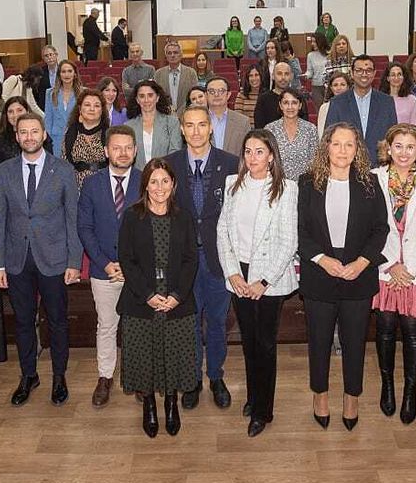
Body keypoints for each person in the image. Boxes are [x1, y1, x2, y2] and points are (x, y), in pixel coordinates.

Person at [298, 123, 389, 430]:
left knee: (354, 342)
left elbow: (380, 229)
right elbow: (300, 230)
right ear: (326, 146)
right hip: (319, 274)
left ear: (357, 149)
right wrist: (322, 260)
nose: (342, 150)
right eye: (336, 144)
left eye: (349, 144)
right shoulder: (307, 182)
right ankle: (320, 395)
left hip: (358, 275)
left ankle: (352, 398)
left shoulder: (370, 182)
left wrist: (362, 262)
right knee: (319, 341)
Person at [0, 113, 83, 406]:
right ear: (16, 136)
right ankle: (28, 375)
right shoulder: (4, 171)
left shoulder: (63, 169)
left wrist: (74, 261)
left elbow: (73, 218)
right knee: (22, 321)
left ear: (44, 135)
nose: (29, 137)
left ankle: (59, 376)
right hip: (17, 260)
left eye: (34, 131)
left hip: (54, 258)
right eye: (23, 132)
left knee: (57, 321)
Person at [217, 130, 300, 437]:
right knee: (248, 341)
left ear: (271, 156)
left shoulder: (286, 189)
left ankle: (263, 410)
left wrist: (264, 281)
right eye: (248, 151)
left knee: (265, 344)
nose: (253, 157)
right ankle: (253, 397)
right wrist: (232, 273)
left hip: (269, 278)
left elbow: (289, 241)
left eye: (259, 151)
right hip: (239, 274)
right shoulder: (232, 184)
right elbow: (222, 231)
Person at [164, 105, 241, 410]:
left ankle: (216, 376)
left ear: (210, 128)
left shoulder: (231, 163)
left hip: (218, 259)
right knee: (189, 322)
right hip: (183, 261)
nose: (196, 131)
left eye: (201, 125)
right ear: (182, 130)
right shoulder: (168, 165)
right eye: (189, 125)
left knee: (218, 321)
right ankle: (193, 378)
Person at [117, 158, 201, 438]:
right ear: (145, 185)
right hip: (141, 300)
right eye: (153, 181)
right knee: (146, 356)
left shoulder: (184, 217)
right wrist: (148, 295)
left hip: (177, 301)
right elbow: (126, 259)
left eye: (165, 181)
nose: (159, 187)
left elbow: (191, 260)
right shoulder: (132, 216)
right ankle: (150, 404)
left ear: (173, 184)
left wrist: (177, 296)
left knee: (173, 355)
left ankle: (171, 403)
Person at [370, 124, 416, 424]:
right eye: (397, 146)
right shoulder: (373, 178)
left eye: (410, 147)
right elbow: (369, 228)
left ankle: (410, 392)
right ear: (388, 148)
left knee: (413, 333)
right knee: (385, 330)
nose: (403, 152)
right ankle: (387, 386)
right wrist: (391, 265)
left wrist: (408, 269)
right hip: (384, 269)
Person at [79, 126, 140, 406]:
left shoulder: (146, 181)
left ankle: (138, 377)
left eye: (128, 147)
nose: (122, 153)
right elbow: (85, 227)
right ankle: (105, 377)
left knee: (137, 326)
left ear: (135, 150)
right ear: (106, 151)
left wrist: (131, 266)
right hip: (103, 270)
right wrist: (104, 263)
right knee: (106, 326)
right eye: (116, 147)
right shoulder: (92, 184)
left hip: (137, 271)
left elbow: (152, 228)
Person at [325, 55, 397, 163]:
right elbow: (328, 138)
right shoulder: (337, 103)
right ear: (352, 73)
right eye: (359, 70)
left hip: (379, 165)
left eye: (368, 70)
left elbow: (393, 136)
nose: (364, 74)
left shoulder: (387, 102)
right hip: (347, 165)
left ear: (374, 73)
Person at [265, 88, 318, 180]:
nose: (290, 107)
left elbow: (315, 161)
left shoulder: (310, 129)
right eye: (286, 103)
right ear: (280, 105)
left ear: (300, 105)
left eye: (294, 103)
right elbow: (266, 160)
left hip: (303, 184)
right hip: (276, 183)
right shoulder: (270, 129)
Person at [128, 81, 181, 168]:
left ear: (157, 98)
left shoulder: (172, 122)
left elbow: (175, 153)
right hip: (138, 175)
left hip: (164, 173)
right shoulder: (129, 126)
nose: (146, 100)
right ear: (137, 100)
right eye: (142, 96)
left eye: (150, 95)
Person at [62, 88, 110, 184]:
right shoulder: (70, 132)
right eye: (87, 105)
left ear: (102, 110)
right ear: (80, 109)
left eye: (97, 106)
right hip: (74, 184)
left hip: (102, 183)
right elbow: (65, 163)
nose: (92, 109)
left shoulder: (109, 133)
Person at [43, 59, 82, 156]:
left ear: (75, 74)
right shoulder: (50, 93)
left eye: (69, 71)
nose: (66, 74)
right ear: (59, 75)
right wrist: (48, 142)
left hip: (77, 138)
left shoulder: (83, 93)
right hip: (56, 140)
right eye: (63, 72)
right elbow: (48, 120)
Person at [204, 76, 251, 155]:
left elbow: (247, 151)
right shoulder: (199, 120)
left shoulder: (243, 122)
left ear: (228, 95)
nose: (216, 95)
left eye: (221, 91)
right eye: (212, 91)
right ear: (206, 95)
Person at [154, 40, 198, 112]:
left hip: (186, 112)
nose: (172, 55)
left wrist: (180, 111)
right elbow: (156, 95)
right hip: (165, 112)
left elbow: (194, 95)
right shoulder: (158, 74)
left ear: (181, 55)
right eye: (169, 53)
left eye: (175, 52)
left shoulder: (191, 73)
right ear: (166, 56)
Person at [252, 61, 296, 130]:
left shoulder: (298, 99)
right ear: (273, 76)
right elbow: (259, 129)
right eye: (279, 74)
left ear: (291, 76)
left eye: (286, 74)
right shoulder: (263, 99)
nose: (283, 77)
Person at [0, 96, 29, 168]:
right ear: (6, 115)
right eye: (11, 112)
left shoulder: (39, 135)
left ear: (27, 111)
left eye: (19, 110)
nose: (15, 115)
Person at [382, 61, 416, 126]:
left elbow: (414, 126)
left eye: (399, 74)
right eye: (393, 75)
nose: (396, 78)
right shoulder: (381, 99)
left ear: (403, 77)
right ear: (388, 78)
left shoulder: (412, 100)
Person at [305, 34, 330, 98]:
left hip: (328, 85)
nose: (312, 44)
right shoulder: (310, 55)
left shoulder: (329, 54)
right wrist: (306, 75)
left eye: (314, 42)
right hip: (316, 86)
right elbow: (309, 71)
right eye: (312, 42)